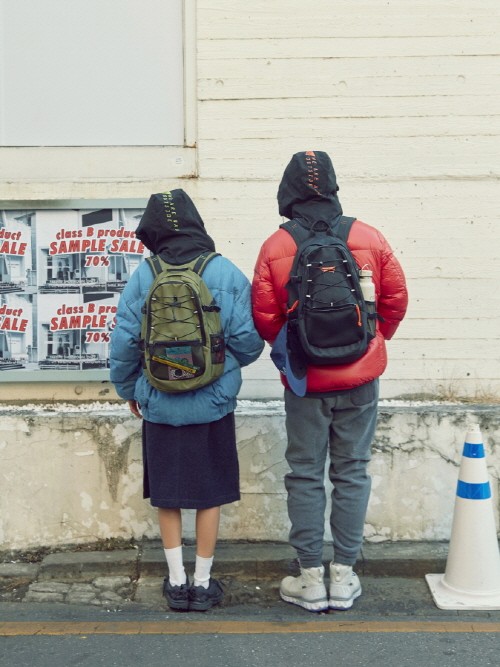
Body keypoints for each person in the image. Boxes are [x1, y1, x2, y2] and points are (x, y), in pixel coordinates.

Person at [251, 151, 408, 613]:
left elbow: (265, 316)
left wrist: (300, 352)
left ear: (288, 191)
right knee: (352, 470)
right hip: (360, 379)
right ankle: (343, 575)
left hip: (306, 382)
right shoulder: (368, 237)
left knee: (304, 473)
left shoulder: (275, 245)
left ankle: (309, 579)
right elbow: (396, 300)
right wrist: (368, 343)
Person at [110, 189, 264, 612]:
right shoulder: (224, 271)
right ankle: (203, 583)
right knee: (208, 494)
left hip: (159, 403)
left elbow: (124, 342)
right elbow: (249, 343)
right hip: (212, 403)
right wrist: (218, 365)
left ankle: (176, 583)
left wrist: (129, 389)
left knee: (169, 494)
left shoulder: (144, 275)